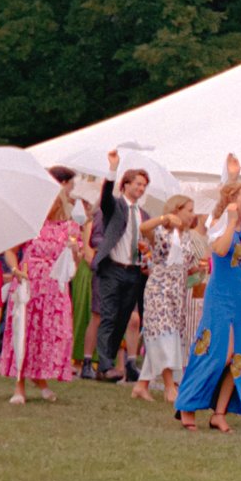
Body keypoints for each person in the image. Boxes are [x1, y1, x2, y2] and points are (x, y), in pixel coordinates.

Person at [175, 175, 241, 432]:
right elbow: (222, 251)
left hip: (240, 299)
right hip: (220, 297)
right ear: (232, 201)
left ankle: (219, 413)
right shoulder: (217, 224)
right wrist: (230, 221)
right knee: (216, 354)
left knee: (239, 358)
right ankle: (187, 404)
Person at [0, 168, 83, 404]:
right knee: (24, 330)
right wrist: (15, 271)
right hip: (29, 282)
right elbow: (10, 251)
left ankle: (41, 378)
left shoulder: (70, 229)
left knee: (50, 334)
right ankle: (20, 385)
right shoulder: (31, 225)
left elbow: (74, 263)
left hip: (54, 287)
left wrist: (74, 251)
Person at [87, 154, 154, 384]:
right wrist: (112, 169)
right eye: (138, 184)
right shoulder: (115, 206)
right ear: (125, 185)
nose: (142, 188)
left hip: (134, 271)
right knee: (108, 316)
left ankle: (107, 364)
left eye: (144, 185)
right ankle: (104, 366)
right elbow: (105, 196)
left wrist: (147, 252)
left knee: (122, 319)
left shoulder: (144, 215)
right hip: (113, 268)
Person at [136, 197, 203, 403]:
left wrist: (199, 272)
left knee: (163, 337)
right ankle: (169, 386)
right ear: (177, 210)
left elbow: (189, 268)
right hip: (159, 289)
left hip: (178, 293)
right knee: (166, 336)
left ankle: (141, 385)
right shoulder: (161, 233)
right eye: (189, 210)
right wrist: (164, 218)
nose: (193, 214)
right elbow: (143, 227)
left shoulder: (189, 238)